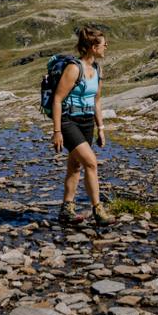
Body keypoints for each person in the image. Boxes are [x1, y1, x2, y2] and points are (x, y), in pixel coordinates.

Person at [51, 26, 113, 225]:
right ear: (93, 47)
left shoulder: (97, 69)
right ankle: (98, 210)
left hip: (87, 123)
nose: (106, 47)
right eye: (103, 44)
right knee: (91, 163)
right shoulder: (74, 68)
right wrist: (57, 131)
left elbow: (96, 100)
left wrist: (101, 128)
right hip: (69, 121)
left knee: (75, 165)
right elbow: (58, 99)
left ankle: (66, 210)